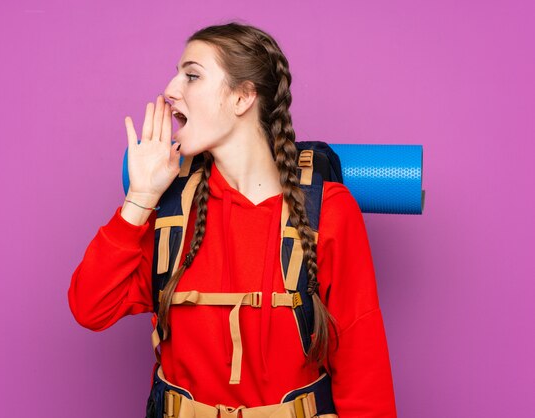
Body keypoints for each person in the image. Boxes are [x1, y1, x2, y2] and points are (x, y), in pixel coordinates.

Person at [68, 21, 397, 417]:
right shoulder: (171, 211)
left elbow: (364, 373)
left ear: (242, 97)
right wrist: (139, 198)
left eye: (191, 76)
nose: (170, 91)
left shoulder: (329, 210)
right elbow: (91, 308)